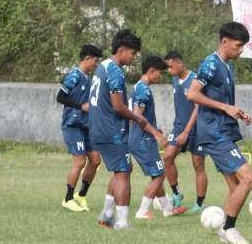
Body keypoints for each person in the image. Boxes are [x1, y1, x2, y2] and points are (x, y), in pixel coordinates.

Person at [186, 22, 252, 244]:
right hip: (214, 133)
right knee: (248, 178)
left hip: (223, 129)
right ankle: (229, 228)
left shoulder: (227, 66)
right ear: (224, 42)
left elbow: (221, 101)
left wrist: (234, 112)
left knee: (236, 186)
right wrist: (226, 108)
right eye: (238, 45)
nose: (241, 50)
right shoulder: (210, 64)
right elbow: (192, 94)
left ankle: (224, 231)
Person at [89, 29, 161, 230]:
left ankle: (107, 213)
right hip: (111, 129)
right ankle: (121, 222)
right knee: (123, 173)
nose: (134, 57)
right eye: (132, 52)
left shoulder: (102, 67)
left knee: (122, 169)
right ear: (121, 50)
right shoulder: (114, 71)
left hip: (98, 128)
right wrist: (139, 118)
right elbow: (118, 106)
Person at [130, 55, 182, 220]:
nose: (160, 76)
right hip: (142, 139)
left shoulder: (139, 87)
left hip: (140, 137)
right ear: (151, 71)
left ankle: (167, 208)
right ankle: (142, 211)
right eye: (159, 73)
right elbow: (138, 115)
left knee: (156, 174)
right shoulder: (143, 90)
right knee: (159, 174)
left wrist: (154, 128)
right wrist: (157, 134)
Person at [57, 44, 103, 212]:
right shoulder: (74, 76)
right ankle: (67, 198)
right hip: (72, 124)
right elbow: (60, 97)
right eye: (95, 61)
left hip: (87, 125)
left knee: (96, 160)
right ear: (87, 58)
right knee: (80, 160)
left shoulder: (88, 79)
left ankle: (81, 195)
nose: (96, 65)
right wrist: (80, 106)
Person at [164, 50, 208, 215]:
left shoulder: (195, 80)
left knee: (198, 165)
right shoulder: (175, 79)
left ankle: (199, 204)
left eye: (171, 67)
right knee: (167, 157)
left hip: (197, 128)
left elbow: (198, 107)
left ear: (180, 63)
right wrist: (180, 130)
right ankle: (176, 193)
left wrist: (187, 132)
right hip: (178, 127)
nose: (169, 71)